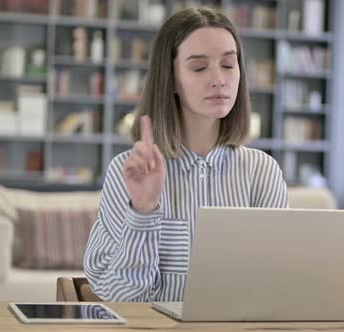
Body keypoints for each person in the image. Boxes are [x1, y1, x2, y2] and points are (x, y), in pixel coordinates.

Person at [84, 7, 288, 302]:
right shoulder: (126, 173)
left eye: (229, 65)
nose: (219, 79)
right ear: (172, 79)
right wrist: (144, 211)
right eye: (199, 67)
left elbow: (278, 287)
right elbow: (120, 298)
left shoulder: (262, 172)